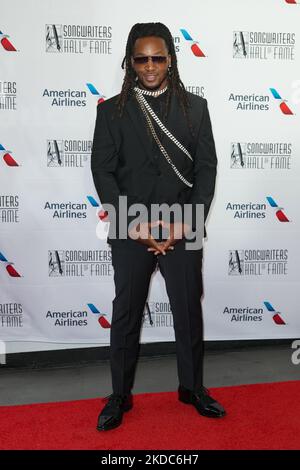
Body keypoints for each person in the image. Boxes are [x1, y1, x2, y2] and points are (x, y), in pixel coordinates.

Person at [91, 22, 226, 431]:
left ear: (171, 59)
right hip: (131, 229)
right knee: (126, 313)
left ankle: (192, 388)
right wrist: (132, 225)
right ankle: (119, 395)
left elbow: (206, 170)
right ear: (130, 63)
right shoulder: (111, 109)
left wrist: (186, 223)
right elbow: (103, 171)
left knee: (187, 312)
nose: (150, 66)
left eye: (158, 57)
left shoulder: (196, 108)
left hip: (182, 227)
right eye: (141, 58)